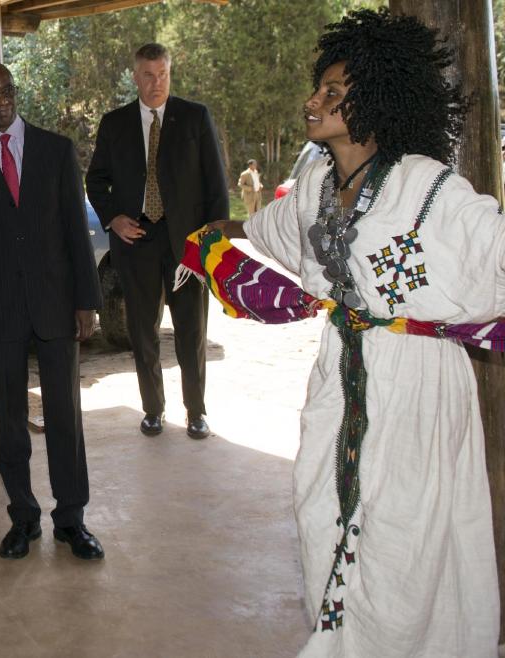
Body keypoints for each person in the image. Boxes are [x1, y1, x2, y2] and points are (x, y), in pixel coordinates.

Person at [205, 9, 498, 656]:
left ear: (377, 101)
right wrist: (206, 240)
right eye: (319, 88)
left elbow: (491, 254)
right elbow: (266, 228)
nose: (315, 102)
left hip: (417, 386)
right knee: (321, 514)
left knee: (404, 542)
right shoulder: (314, 185)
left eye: (333, 94)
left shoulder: (430, 189)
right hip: (340, 378)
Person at [0, 61, 105, 562]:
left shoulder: (57, 151)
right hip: (0, 313)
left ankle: (71, 520)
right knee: (11, 420)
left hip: (57, 304)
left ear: (14, 92)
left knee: (65, 415)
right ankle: (23, 517)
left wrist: (87, 300)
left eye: (5, 92)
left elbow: (74, 235)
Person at [86, 43, 229, 439]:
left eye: (163, 74)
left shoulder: (195, 117)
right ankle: (152, 409)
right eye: (148, 75)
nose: (156, 83)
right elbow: (95, 179)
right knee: (143, 330)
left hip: (186, 243)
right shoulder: (114, 123)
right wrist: (114, 218)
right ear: (135, 77)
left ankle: (196, 412)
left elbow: (215, 184)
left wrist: (211, 239)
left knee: (191, 329)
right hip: (136, 241)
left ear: (170, 72)